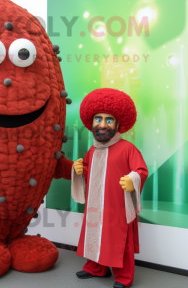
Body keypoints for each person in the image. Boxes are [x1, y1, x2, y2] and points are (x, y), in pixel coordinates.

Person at [71, 88, 148, 288]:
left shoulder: (128, 148)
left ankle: (123, 277)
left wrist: (133, 180)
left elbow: (141, 170)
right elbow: (90, 170)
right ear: (91, 122)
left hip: (118, 206)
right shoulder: (93, 149)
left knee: (120, 241)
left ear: (118, 123)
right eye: (98, 119)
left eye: (108, 119)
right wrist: (80, 169)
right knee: (94, 234)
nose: (102, 124)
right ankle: (96, 268)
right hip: (96, 205)